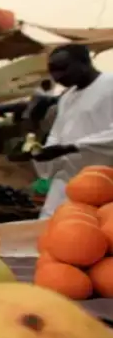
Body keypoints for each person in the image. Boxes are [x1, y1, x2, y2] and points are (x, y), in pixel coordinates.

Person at [33, 44, 113, 218]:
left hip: (102, 183)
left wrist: (72, 147)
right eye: (53, 70)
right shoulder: (67, 97)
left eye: (63, 69)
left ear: (84, 62)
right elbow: (56, 135)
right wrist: (40, 153)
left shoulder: (110, 85)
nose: (57, 76)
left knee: (91, 234)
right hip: (65, 182)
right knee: (50, 229)